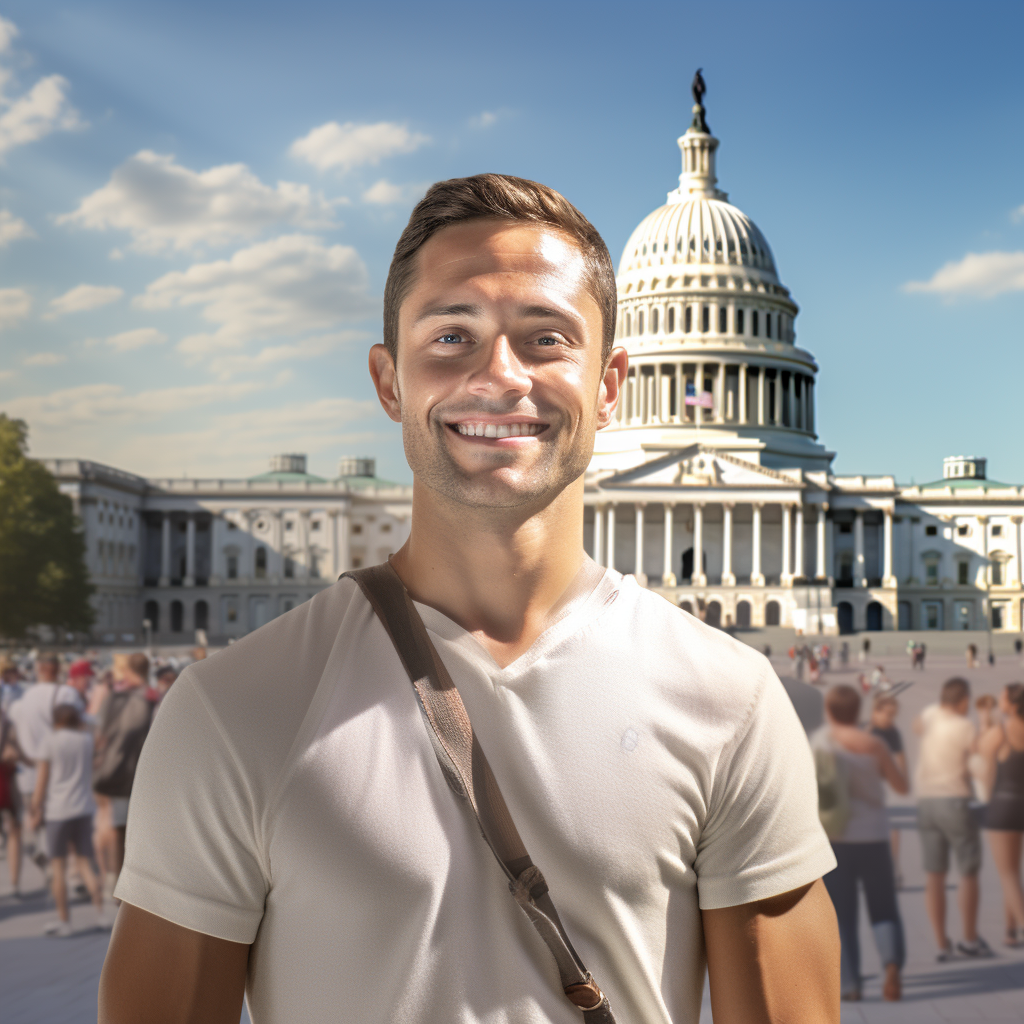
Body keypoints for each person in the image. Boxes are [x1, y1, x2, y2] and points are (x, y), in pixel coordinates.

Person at [100, 174, 840, 1023]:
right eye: (452, 336)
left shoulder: (731, 702)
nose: (501, 377)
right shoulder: (232, 709)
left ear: (610, 386)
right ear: (389, 383)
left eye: (546, 338)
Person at [817, 685, 908, 1001]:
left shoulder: (820, 744)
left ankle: (850, 984)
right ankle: (892, 966)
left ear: (829, 711)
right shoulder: (874, 744)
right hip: (874, 836)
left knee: (842, 914)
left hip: (836, 839)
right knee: (883, 906)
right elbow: (902, 785)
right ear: (858, 712)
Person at [914, 677, 992, 959]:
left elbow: (917, 726)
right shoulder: (964, 726)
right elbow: (979, 761)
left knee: (934, 875)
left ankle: (940, 944)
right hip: (956, 801)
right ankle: (969, 939)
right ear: (962, 701)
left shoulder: (930, 715)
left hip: (926, 801)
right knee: (968, 872)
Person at [28, 703, 108, 936]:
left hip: (57, 810)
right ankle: (101, 913)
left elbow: (42, 780)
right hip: (83, 807)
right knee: (85, 863)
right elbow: (93, 765)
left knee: (58, 866)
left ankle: (65, 922)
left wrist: (35, 808)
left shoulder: (51, 741)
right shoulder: (85, 740)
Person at [7, 653, 85, 870]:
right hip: (59, 770)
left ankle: (47, 858)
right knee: (63, 822)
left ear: (39, 668)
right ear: (57, 669)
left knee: (38, 818)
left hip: (29, 769)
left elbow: (15, 732)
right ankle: (63, 867)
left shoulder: (25, 697)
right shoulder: (67, 694)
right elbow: (79, 728)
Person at [92, 653, 156, 891]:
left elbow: (101, 736)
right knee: (142, 830)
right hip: (146, 773)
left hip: (119, 771)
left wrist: (98, 759)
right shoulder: (155, 698)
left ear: (128, 671)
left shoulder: (115, 699)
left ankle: (116, 878)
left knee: (119, 827)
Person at [978, 683, 1024, 947]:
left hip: (1004, 807)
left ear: (1013, 704)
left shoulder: (1002, 731)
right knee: (1014, 872)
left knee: (1007, 874)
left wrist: (985, 725)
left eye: (1003, 697)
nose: (999, 699)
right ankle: (1010, 929)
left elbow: (982, 761)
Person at [870, 695, 907, 886]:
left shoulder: (893, 733)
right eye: (886, 714)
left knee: (893, 830)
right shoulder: (869, 733)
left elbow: (901, 759)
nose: (889, 718)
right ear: (875, 712)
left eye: (893, 715)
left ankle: (893, 870)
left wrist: (903, 781)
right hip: (873, 789)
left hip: (889, 789)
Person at [0, 703, 28, 895]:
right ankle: (14, 883)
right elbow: (15, 753)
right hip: (5, 783)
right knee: (14, 831)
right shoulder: (6, 721)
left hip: (5, 781)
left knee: (14, 830)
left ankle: (15, 883)